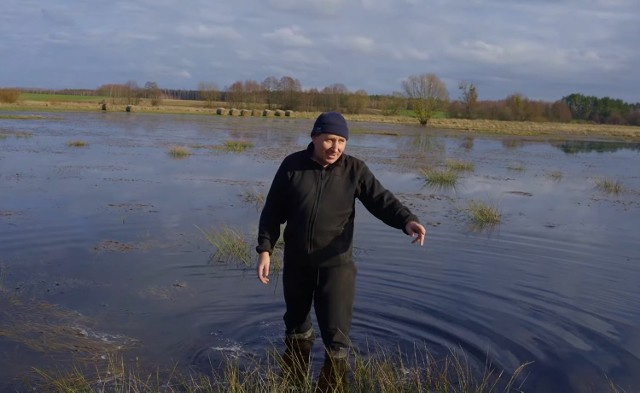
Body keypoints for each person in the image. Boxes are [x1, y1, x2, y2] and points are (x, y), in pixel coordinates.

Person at [255, 111, 426, 389]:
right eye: (329, 140)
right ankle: (295, 380)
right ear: (314, 137)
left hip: (336, 265)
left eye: (342, 141)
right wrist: (265, 249)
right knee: (296, 328)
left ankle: (332, 383)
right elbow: (273, 211)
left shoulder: (354, 170)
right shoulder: (292, 166)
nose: (335, 147)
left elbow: (381, 200)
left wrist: (407, 220)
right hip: (297, 262)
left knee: (336, 338)